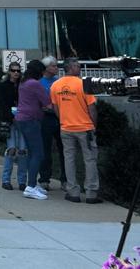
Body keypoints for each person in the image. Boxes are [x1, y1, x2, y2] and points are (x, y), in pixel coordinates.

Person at [50, 58, 101, 204]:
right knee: (90, 159)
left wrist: (64, 120)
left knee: (69, 159)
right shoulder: (83, 84)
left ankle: (73, 191)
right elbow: (91, 107)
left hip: (66, 127)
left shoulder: (55, 85)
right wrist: (94, 125)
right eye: (78, 66)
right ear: (71, 67)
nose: (80, 68)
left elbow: (56, 108)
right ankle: (91, 192)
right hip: (85, 127)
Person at [15, 59, 52, 200]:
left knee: (32, 152)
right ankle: (30, 186)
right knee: (38, 153)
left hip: (22, 118)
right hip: (31, 120)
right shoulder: (35, 84)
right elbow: (47, 103)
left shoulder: (24, 82)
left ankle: (31, 184)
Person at [38, 56, 66, 192]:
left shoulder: (59, 83)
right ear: (47, 68)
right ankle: (44, 178)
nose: (57, 68)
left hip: (60, 118)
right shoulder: (39, 83)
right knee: (45, 149)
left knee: (65, 149)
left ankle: (65, 179)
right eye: (54, 66)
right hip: (45, 118)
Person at [0, 62, 27, 191]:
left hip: (22, 120)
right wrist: (9, 117)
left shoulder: (23, 85)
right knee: (11, 149)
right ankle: (6, 180)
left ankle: (22, 181)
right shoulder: (3, 86)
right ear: (9, 71)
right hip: (10, 120)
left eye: (18, 71)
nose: (16, 73)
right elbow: (2, 104)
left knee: (22, 151)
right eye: (13, 70)